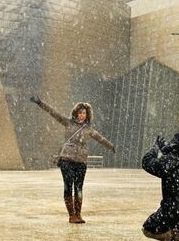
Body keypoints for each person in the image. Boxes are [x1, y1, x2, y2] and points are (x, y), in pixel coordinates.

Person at [30, 95, 115, 224]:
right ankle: (71, 215)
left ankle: (78, 214)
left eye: (84, 113)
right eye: (80, 113)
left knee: (79, 188)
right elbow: (53, 112)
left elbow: (100, 138)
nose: (82, 115)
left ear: (87, 115)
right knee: (68, 186)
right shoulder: (68, 122)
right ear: (76, 113)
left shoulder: (89, 129)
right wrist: (40, 103)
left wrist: (110, 146)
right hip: (67, 160)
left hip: (81, 162)